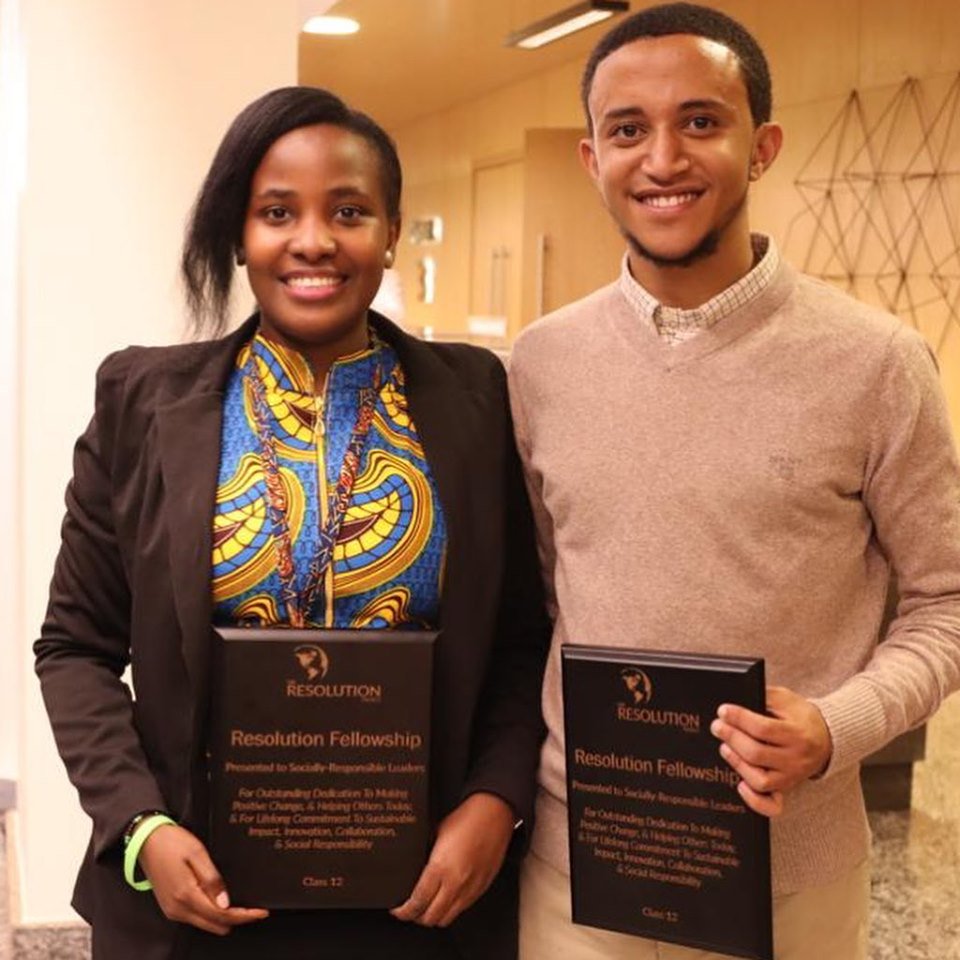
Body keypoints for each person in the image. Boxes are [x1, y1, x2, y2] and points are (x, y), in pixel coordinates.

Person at [35, 85, 549, 960]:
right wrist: (140, 827)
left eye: (348, 211)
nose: (312, 241)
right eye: (278, 212)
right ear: (240, 234)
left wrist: (497, 802)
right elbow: (75, 647)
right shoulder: (142, 400)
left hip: (423, 897)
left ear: (391, 230)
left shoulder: (477, 399)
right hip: (197, 895)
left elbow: (519, 638)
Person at [507, 4, 960, 959]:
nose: (663, 158)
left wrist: (836, 727)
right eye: (628, 129)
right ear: (594, 159)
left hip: (788, 875)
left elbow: (946, 604)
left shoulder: (876, 363)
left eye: (701, 122)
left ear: (761, 147)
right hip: (578, 869)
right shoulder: (540, 365)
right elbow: (544, 594)